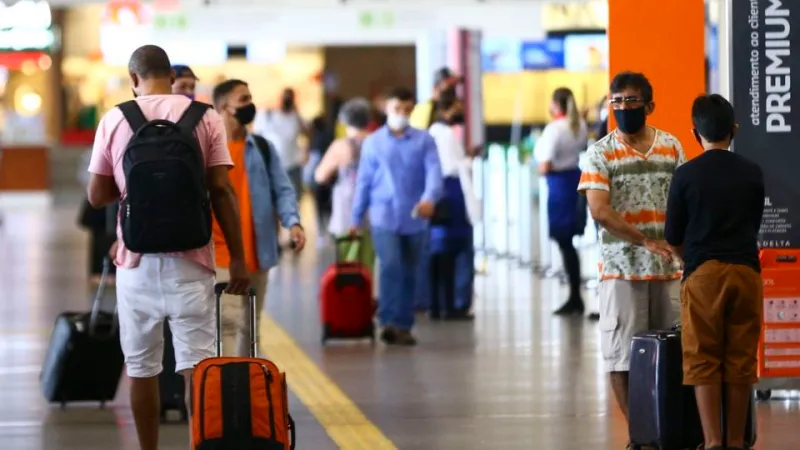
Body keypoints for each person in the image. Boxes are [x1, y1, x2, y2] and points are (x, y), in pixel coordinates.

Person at [86, 45, 249, 450]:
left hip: (136, 263)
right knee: (198, 367)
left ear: (133, 78)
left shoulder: (115, 119)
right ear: (172, 78)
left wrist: (132, 190)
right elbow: (221, 190)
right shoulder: (205, 116)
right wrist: (238, 258)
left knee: (142, 368)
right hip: (193, 261)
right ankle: (200, 445)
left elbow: (96, 195)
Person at [577, 72, 684, 430]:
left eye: (631, 101)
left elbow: (685, 202)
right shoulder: (600, 153)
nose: (623, 108)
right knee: (622, 357)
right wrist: (645, 240)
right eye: (617, 101)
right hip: (621, 270)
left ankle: (670, 430)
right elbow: (599, 210)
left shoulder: (671, 147)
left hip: (668, 270)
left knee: (674, 355)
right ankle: (641, 433)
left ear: (649, 106)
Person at [665, 94, 764, 450]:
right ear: (733, 130)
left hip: (703, 274)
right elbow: (754, 224)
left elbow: (672, 235)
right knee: (741, 359)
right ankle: (736, 441)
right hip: (746, 273)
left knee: (702, 358)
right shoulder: (752, 172)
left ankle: (712, 442)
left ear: (695, 133)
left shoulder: (685, 175)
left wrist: (686, 259)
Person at [211, 79, 306, 357]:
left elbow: (283, 188)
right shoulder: (207, 149)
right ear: (223, 107)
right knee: (229, 326)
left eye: (250, 98)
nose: (250, 105)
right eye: (243, 100)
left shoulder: (262, 147)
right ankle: (230, 381)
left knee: (251, 329)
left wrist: (293, 222)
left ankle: (244, 380)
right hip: (220, 255)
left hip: (257, 253)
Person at [350, 87, 443, 346]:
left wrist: (429, 198)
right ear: (387, 108)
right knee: (390, 265)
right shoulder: (373, 143)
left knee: (411, 271)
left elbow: (434, 173)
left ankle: (403, 324)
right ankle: (388, 321)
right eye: (396, 109)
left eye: (406, 109)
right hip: (384, 216)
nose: (401, 114)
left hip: (415, 216)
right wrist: (356, 218)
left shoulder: (424, 141)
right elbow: (364, 182)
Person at [534, 87, 589, 318]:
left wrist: (542, 169)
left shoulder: (554, 129)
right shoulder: (580, 125)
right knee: (568, 241)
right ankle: (575, 294)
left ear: (556, 104)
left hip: (558, 185)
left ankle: (575, 296)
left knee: (564, 241)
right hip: (574, 180)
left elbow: (545, 165)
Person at [426, 90, 480, 320]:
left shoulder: (430, 133)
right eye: (456, 108)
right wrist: (469, 159)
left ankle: (438, 304)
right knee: (459, 251)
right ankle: (457, 303)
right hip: (454, 195)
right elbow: (454, 166)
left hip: (438, 196)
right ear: (445, 110)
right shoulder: (447, 134)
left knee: (438, 253)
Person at [315, 98, 376, 272]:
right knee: (367, 265)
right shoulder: (376, 142)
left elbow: (320, 176)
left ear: (344, 120)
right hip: (373, 210)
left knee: (347, 265)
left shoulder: (340, 146)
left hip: (346, 209)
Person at [253, 87, 308, 200]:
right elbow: (256, 138)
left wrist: (305, 152)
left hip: (293, 166)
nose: (286, 100)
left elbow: (307, 133)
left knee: (293, 200)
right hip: (272, 166)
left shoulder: (295, 117)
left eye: (290, 98)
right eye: (285, 97)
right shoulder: (266, 115)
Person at [306, 115, 334, 247]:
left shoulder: (315, 139)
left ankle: (321, 233)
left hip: (318, 177)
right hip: (330, 177)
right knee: (329, 206)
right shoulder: (329, 136)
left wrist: (308, 179)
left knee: (319, 207)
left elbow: (313, 161)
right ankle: (330, 231)